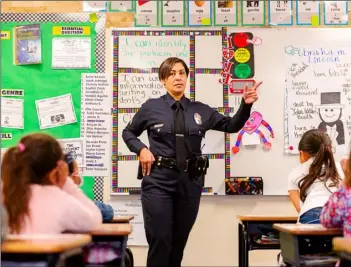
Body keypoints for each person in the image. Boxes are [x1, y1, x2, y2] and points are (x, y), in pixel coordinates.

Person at [122, 57, 261, 267]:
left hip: (190, 183)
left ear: (187, 77)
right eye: (172, 74)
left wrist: (245, 105)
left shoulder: (200, 110)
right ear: (163, 80)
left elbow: (231, 125)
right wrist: (141, 149)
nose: (178, 77)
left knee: (178, 243)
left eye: (182, 73)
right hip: (158, 182)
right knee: (160, 239)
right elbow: (128, 132)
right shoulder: (152, 107)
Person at [1, 133, 102, 234]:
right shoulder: (58, 198)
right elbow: (94, 220)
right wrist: (66, 183)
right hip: (42, 250)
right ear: (55, 172)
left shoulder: (5, 192)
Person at [287, 129, 344, 224]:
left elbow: (299, 208)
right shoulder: (339, 168)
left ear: (302, 153)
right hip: (337, 214)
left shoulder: (295, 172)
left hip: (310, 215)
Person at [64, 152, 114, 222]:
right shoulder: (72, 200)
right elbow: (107, 213)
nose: (78, 176)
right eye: (77, 172)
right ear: (70, 177)